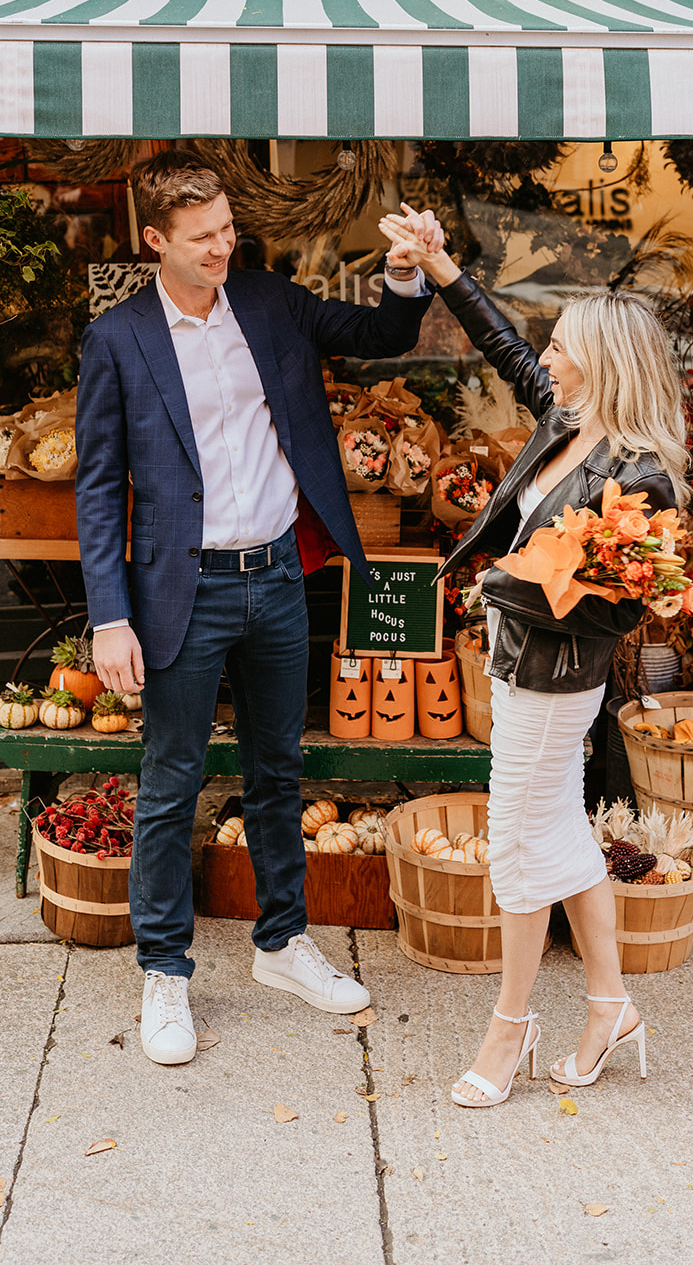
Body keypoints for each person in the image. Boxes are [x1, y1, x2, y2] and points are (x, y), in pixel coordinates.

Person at [75, 153, 437, 1066]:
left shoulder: (269, 302)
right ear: (155, 240)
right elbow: (96, 490)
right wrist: (109, 615)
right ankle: (165, 971)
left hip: (277, 574)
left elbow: (386, 334)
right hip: (180, 591)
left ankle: (281, 943)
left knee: (280, 768)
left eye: (229, 230)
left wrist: (404, 272)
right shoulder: (119, 339)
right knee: (172, 783)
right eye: (204, 239)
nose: (223, 248)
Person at [380, 207, 689, 1108]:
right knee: (557, 836)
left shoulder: (641, 476)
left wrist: (495, 590)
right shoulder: (570, 422)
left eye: (563, 346)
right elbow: (503, 347)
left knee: (515, 851)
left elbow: (609, 615)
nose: (546, 357)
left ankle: (508, 1030)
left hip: (557, 684)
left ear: (604, 362)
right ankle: (610, 1007)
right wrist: (440, 266)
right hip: (519, 669)